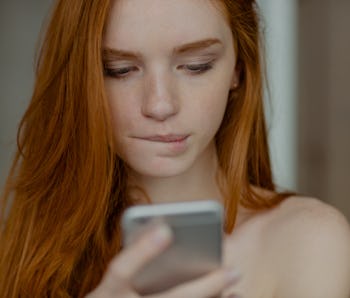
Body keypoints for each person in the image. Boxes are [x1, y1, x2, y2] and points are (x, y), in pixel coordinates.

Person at [1, 0, 349, 297]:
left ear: (238, 70)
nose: (160, 104)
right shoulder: (25, 249)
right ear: (82, 80)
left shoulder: (309, 242)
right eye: (119, 70)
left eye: (196, 66)